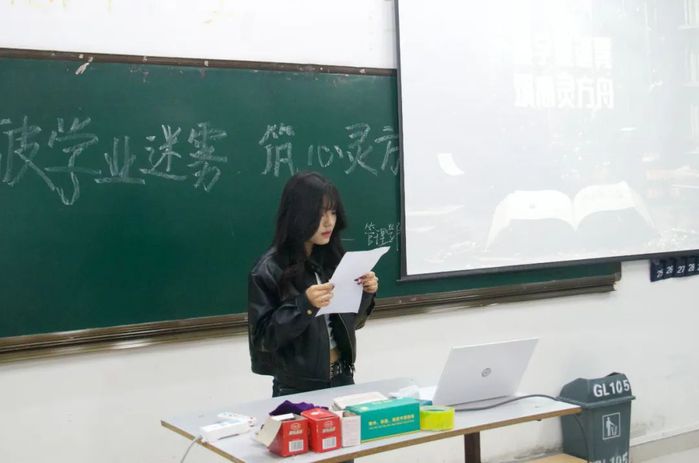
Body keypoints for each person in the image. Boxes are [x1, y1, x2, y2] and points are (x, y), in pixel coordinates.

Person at [248, 171, 379, 397]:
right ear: (298, 215)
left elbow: (354, 323)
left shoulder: (334, 260)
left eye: (333, 212)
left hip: (343, 378)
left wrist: (366, 292)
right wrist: (304, 305)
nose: (329, 222)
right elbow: (263, 340)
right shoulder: (268, 269)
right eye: (319, 214)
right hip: (297, 389)